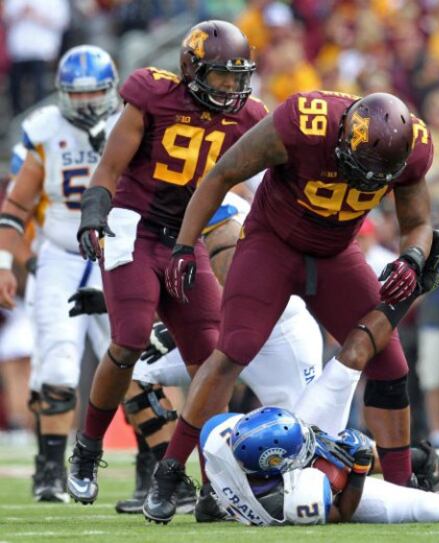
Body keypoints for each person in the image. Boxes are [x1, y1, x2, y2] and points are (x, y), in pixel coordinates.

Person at [143, 89, 436, 523]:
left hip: (336, 253)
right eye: (362, 168)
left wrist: (412, 259)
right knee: (233, 350)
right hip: (272, 245)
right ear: (343, 139)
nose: (367, 180)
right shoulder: (304, 121)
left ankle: (401, 486)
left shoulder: (412, 148)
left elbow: (418, 223)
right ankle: (169, 476)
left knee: (391, 365)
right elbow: (220, 175)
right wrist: (184, 246)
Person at [65, 20, 267, 506]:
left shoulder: (250, 117)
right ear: (192, 69)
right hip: (131, 226)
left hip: (184, 238)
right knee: (131, 337)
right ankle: (87, 449)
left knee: (212, 358)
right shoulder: (153, 94)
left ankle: (197, 476)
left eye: (237, 78)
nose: (229, 88)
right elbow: (111, 166)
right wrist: (94, 211)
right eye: (220, 77)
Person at [68, 190, 324, 514]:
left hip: (276, 335)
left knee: (308, 447)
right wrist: (113, 302)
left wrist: (175, 332)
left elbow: (236, 284)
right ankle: (182, 481)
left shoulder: (219, 205)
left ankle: (389, 463)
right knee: (132, 370)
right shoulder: (158, 204)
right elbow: (174, 282)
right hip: (222, 338)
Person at [0, 45, 120, 502]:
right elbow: (16, 206)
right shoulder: (44, 131)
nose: (88, 103)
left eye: (96, 94)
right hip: (61, 252)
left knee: (141, 362)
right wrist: (5, 263)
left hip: (118, 252)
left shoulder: (129, 124)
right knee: (57, 364)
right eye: (78, 94)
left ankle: (156, 469)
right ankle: (49, 470)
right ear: (62, 94)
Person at [198, 406, 439, 526]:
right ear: (276, 467)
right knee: (437, 511)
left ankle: (420, 462)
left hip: (259, 482)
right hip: (327, 499)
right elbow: (342, 513)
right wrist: (358, 471)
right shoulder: (294, 497)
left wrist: (213, 496)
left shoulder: (219, 436)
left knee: (336, 445)